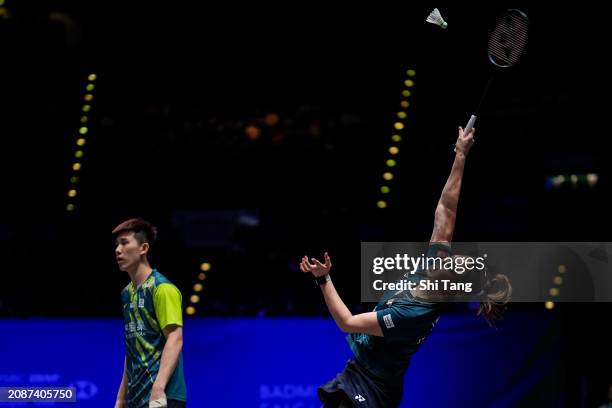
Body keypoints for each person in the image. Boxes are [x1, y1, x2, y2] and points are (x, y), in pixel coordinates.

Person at [299, 126, 512, 407]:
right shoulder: (432, 265)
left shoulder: (413, 314)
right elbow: (447, 209)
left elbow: (347, 322)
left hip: (375, 387)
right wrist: (460, 154)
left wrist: (324, 279)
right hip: (358, 371)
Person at [113, 218, 187, 408]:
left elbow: (175, 337)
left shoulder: (162, 288)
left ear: (143, 248)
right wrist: (121, 398)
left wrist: (158, 388)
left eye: (124, 243)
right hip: (137, 398)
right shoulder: (126, 295)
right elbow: (133, 350)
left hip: (163, 396)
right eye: (116, 245)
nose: (118, 250)